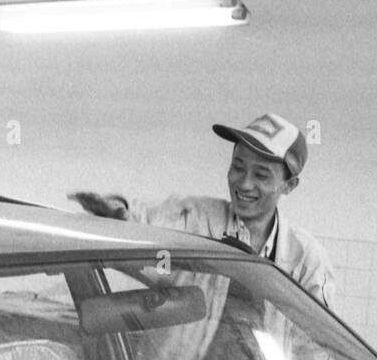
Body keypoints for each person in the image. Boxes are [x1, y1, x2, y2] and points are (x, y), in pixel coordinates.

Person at [70, 112, 334, 308]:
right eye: (238, 166)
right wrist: (116, 212)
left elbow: (315, 347)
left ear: (289, 185)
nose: (244, 183)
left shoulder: (306, 260)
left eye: (261, 175)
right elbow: (142, 221)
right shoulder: (196, 217)